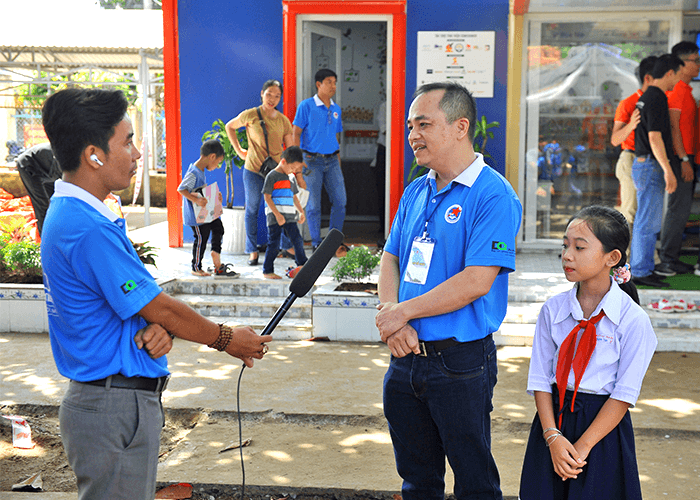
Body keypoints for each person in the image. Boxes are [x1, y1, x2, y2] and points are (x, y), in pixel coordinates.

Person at [40, 87, 272, 500]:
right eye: (127, 142)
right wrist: (226, 338)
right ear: (94, 155)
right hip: (111, 405)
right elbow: (159, 305)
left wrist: (158, 327)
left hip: (115, 400)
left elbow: (141, 309)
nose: (137, 153)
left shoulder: (83, 214)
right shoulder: (86, 226)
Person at [375, 82, 522, 500]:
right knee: (417, 480)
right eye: (410, 126)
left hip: (460, 362)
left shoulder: (493, 194)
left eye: (424, 124)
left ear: (460, 127)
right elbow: (392, 258)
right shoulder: (417, 189)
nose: (412, 135)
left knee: (474, 481)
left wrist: (401, 313)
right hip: (405, 357)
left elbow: (477, 280)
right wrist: (392, 315)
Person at [519, 206, 656, 500]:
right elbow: (541, 380)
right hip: (552, 424)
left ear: (613, 258)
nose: (568, 255)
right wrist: (553, 437)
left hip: (602, 434)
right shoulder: (553, 310)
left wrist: (581, 449)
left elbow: (624, 394)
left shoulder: (633, 320)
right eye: (565, 246)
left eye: (580, 247)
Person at [225, 79, 293, 266]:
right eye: (269, 94)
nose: (272, 99)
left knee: (281, 208)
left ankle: (287, 246)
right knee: (253, 209)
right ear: (262, 93)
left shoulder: (283, 120)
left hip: (276, 172)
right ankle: (252, 251)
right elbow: (229, 126)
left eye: (277, 96)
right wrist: (239, 151)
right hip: (253, 169)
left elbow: (290, 147)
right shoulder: (250, 115)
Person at [630, 54, 683, 288]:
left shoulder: (648, 96)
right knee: (647, 222)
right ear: (669, 73)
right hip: (650, 164)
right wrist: (668, 170)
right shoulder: (657, 97)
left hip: (645, 163)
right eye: (678, 75)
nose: (679, 81)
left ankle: (644, 268)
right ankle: (641, 270)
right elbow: (654, 136)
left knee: (647, 221)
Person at [655, 42, 700, 277]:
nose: (698, 65)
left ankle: (672, 257)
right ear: (681, 64)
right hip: (681, 156)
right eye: (695, 60)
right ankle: (667, 260)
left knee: (681, 210)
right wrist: (683, 159)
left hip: (688, 156)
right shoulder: (678, 91)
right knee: (677, 209)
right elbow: (674, 128)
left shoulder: (686, 91)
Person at [293, 68, 348, 254]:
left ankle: (333, 242)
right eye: (329, 82)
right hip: (311, 161)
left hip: (332, 161)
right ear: (319, 84)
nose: (333, 86)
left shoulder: (336, 109)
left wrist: (338, 162)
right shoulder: (306, 106)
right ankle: (316, 243)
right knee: (313, 206)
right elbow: (296, 133)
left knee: (340, 201)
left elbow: (335, 137)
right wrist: (296, 162)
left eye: (335, 82)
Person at [177, 139, 238, 277]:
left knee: (218, 227)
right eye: (217, 162)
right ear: (212, 157)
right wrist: (196, 200)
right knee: (201, 239)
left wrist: (215, 197)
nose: (217, 166)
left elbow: (199, 190)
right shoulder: (194, 172)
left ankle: (215, 252)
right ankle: (196, 267)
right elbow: (182, 189)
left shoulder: (200, 171)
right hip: (196, 216)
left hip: (204, 213)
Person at [610, 55, 658, 228]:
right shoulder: (628, 103)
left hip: (651, 161)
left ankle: (646, 256)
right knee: (629, 213)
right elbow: (615, 140)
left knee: (647, 216)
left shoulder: (659, 101)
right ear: (648, 78)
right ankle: (625, 255)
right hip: (630, 159)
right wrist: (631, 125)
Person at [261, 146, 308, 279]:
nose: (293, 171)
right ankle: (267, 270)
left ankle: (302, 265)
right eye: (292, 168)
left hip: (289, 217)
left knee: (297, 239)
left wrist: (300, 211)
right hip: (275, 217)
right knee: (274, 244)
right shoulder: (272, 176)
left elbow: (294, 197)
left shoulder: (291, 177)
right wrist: (277, 215)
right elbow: (267, 197)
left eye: (296, 169)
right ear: (283, 162)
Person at [15, 142, 62, 235]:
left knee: (56, 203)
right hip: (29, 168)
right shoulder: (70, 158)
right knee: (42, 205)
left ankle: (57, 235)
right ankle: (46, 241)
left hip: (47, 172)